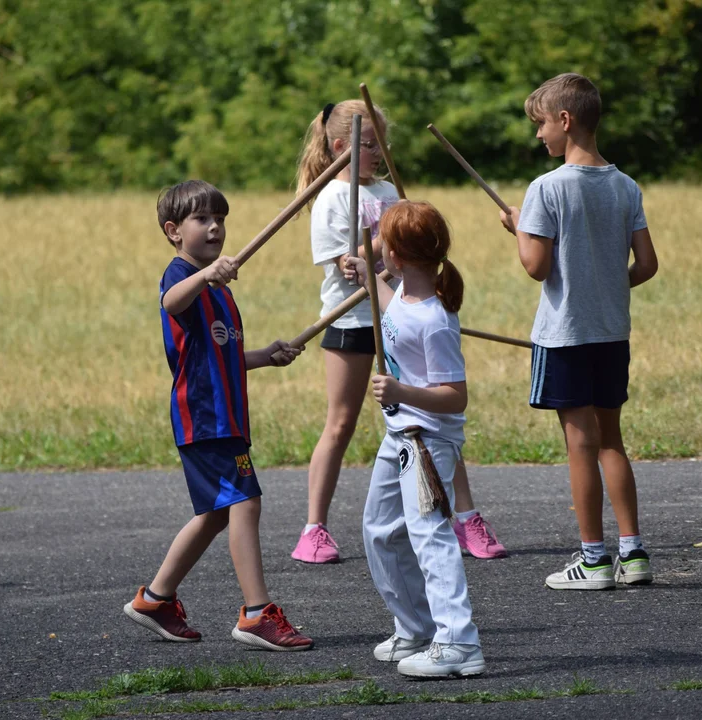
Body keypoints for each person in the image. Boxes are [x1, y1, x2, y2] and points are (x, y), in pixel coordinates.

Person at [291, 99, 506, 564]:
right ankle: (314, 529)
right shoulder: (329, 197)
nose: (379, 152)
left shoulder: (389, 192)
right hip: (351, 319)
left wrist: (395, 234)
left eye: (383, 143)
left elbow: (390, 253)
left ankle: (465, 518)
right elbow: (348, 269)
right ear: (340, 146)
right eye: (369, 144)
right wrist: (387, 242)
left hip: (403, 317)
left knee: (432, 420)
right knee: (342, 421)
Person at [123, 180, 314, 650]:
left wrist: (264, 356)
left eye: (221, 219)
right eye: (202, 219)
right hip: (205, 417)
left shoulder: (219, 291)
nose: (215, 227)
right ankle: (255, 613)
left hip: (226, 416)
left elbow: (220, 353)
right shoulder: (181, 275)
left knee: (215, 513)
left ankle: (155, 598)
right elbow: (170, 302)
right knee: (245, 502)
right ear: (173, 231)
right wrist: (204, 277)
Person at [499, 73, 659, 590]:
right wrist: (609, 286)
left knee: (579, 445)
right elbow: (647, 264)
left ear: (564, 121)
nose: (538, 135)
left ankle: (593, 560)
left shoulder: (545, 189)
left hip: (565, 336)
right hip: (612, 333)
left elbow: (537, 267)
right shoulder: (625, 184)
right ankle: (632, 555)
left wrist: (521, 228)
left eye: (541, 124)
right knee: (611, 438)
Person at [348, 201, 485, 678]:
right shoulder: (404, 295)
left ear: (400, 255)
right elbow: (390, 310)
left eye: (384, 242)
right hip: (399, 438)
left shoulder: (436, 320)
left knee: (430, 535)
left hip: (427, 441)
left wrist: (402, 390)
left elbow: (456, 397)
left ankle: (459, 642)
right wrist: (370, 274)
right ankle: (416, 626)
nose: (379, 246)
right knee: (379, 529)